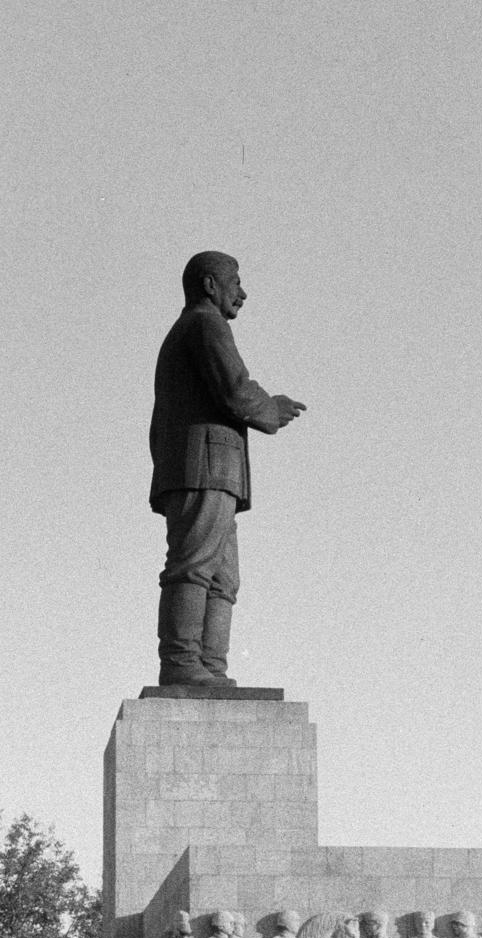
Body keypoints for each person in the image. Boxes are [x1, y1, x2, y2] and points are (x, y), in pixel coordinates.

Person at [148, 252, 306, 686]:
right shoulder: (204, 324)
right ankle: (182, 663)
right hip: (203, 465)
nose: (242, 292)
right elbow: (234, 388)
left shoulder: (196, 326)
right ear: (209, 285)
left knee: (222, 577)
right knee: (195, 565)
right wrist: (269, 409)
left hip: (214, 469)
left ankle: (209, 668)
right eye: (235, 282)